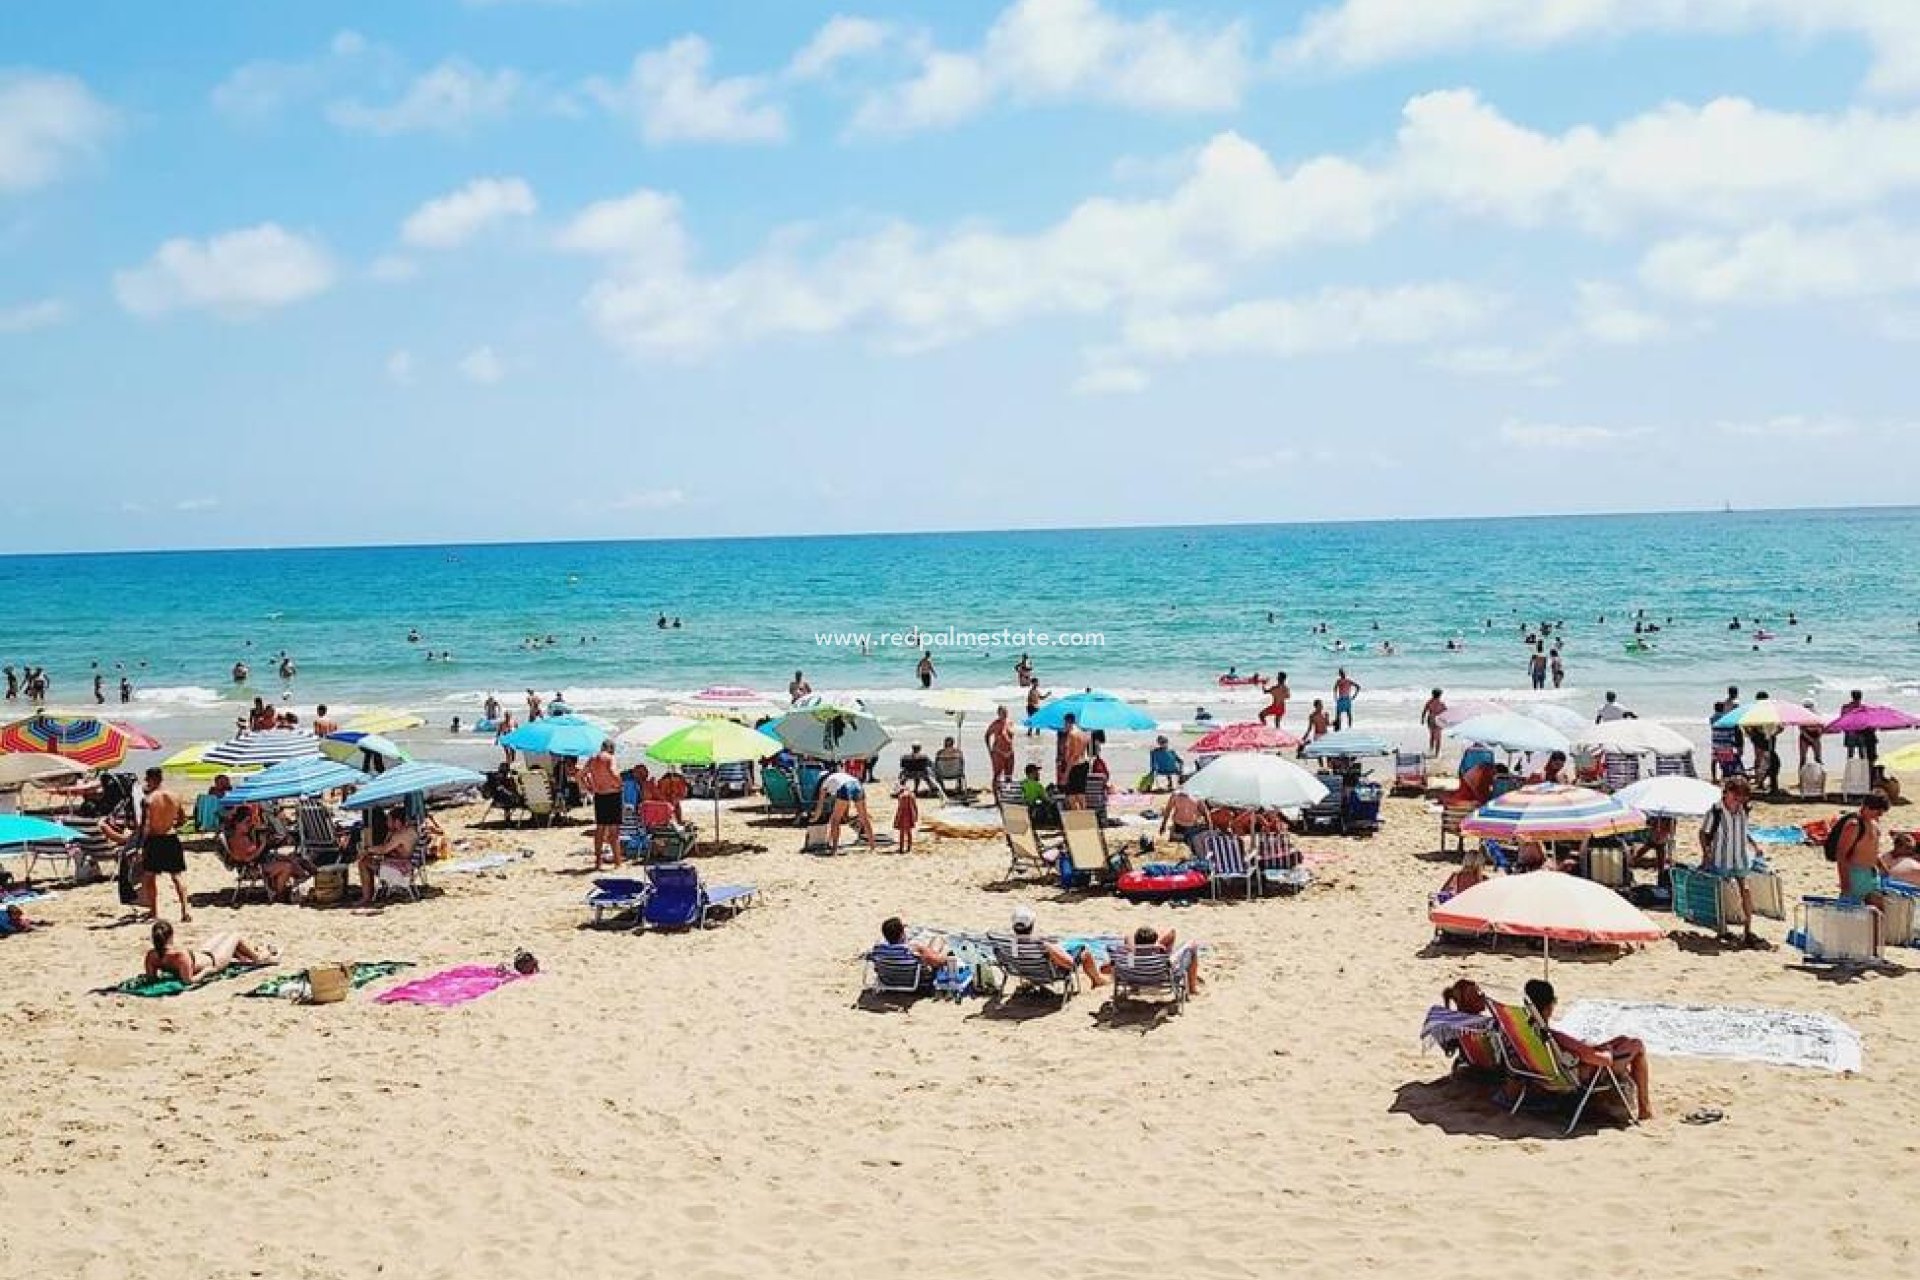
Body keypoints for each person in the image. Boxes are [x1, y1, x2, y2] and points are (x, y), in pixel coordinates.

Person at [1524, 978, 1654, 1122]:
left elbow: (1577, 1051)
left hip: (1553, 1073)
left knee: (1622, 1040)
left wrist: (1598, 1048)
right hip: (1586, 1073)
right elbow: (1603, 1060)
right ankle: (1645, 1109)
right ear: (1549, 1008)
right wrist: (1607, 1051)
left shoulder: (1527, 1033)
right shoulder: (1555, 1036)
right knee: (1637, 1045)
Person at [1699, 777, 1764, 946]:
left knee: (1746, 889)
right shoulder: (1715, 811)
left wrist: (1754, 846)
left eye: (1742, 797)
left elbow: (1743, 831)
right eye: (1736, 796)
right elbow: (1703, 833)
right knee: (1720, 894)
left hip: (1740, 857)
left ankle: (1748, 929)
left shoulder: (1744, 810)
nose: (1739, 800)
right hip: (1721, 858)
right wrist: (1706, 853)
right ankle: (1723, 929)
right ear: (1726, 793)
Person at [144, 919, 274, 984]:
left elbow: (151, 978)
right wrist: (206, 971)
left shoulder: (151, 955)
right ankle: (257, 957)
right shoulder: (180, 955)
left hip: (202, 954)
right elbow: (188, 981)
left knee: (223, 934)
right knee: (235, 936)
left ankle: (242, 954)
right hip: (214, 961)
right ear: (171, 936)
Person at [138, 767, 189, 922]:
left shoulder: (149, 799)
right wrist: (170, 824)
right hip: (171, 838)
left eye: (147, 779)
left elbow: (146, 824)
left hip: (155, 839)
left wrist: (141, 844)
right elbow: (182, 819)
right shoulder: (176, 796)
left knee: (149, 877)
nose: (146, 782)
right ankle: (185, 910)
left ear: (151, 779)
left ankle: (154, 912)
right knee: (177, 876)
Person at [1008, 905, 1103, 987]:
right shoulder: (1042, 944)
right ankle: (1098, 980)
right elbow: (1070, 964)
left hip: (1025, 972)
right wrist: (1056, 947)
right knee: (1084, 950)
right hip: (1049, 973)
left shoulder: (1007, 943)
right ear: (1032, 925)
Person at [1103, 923, 1201, 993]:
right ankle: (1193, 989)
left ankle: (1135, 989)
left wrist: (1114, 962)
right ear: (1155, 942)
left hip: (1132, 978)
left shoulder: (1130, 959)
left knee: (1129, 939)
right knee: (1192, 947)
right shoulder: (1161, 955)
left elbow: (1103, 970)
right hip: (1161, 977)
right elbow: (1173, 961)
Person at [1831, 792, 1890, 905]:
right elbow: (1841, 855)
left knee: (1877, 913)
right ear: (1867, 807)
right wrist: (1845, 884)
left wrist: (1882, 867)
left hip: (1872, 874)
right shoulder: (1854, 825)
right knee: (1855, 915)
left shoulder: (1874, 823)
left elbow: (1871, 850)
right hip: (1856, 875)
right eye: (1878, 811)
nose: (1880, 815)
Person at [355, 807, 418, 906]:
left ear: (396, 821)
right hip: (406, 866)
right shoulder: (411, 830)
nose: (386, 823)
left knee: (363, 863)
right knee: (368, 860)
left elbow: (384, 849)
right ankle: (369, 894)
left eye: (388, 820)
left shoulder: (400, 835)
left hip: (400, 871)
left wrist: (367, 849)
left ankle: (366, 897)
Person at [581, 738, 624, 870]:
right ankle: (617, 862)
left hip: (599, 795)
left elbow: (579, 775)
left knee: (600, 829)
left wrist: (588, 787)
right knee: (613, 831)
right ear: (611, 748)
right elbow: (612, 771)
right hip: (612, 793)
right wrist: (619, 783)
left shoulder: (592, 759)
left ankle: (598, 862)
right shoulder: (610, 758)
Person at [813, 767, 876, 852]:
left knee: (835, 820)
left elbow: (820, 806)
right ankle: (872, 846)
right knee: (864, 818)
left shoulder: (825, 784)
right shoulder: (839, 775)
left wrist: (814, 819)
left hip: (845, 787)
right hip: (857, 784)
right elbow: (846, 803)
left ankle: (834, 849)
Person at [875, 916, 947, 972]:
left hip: (889, 980)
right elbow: (937, 961)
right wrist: (946, 959)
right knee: (937, 941)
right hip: (913, 981)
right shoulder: (911, 950)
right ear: (901, 935)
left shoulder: (878, 950)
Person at [1059, 713, 1091, 808]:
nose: (1064, 726)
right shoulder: (1083, 733)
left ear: (1068, 722)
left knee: (1071, 793)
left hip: (1075, 765)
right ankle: (1083, 814)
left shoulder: (1073, 734)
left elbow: (1073, 755)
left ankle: (1076, 815)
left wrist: (1066, 774)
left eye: (1065, 723)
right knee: (1080, 791)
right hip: (1083, 763)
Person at [985, 707, 1015, 787]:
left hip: (1009, 751)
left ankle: (1007, 793)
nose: (1005, 714)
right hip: (998, 752)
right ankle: (996, 796)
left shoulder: (1010, 722)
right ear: (998, 714)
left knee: (1009, 775)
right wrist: (989, 749)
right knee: (997, 775)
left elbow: (1011, 737)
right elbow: (987, 735)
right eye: (1003, 712)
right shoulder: (995, 724)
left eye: (1006, 712)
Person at [891, 786, 919, 854]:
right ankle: (909, 848)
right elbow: (915, 807)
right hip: (910, 815)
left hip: (903, 815)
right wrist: (916, 816)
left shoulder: (902, 796)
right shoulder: (912, 795)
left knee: (902, 833)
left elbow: (900, 809)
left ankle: (901, 848)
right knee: (909, 832)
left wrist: (897, 818)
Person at [1420, 689, 1447, 755]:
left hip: (1430, 720)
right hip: (1438, 720)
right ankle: (1437, 754)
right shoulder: (1441, 703)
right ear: (1440, 695)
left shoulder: (1429, 702)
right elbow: (1446, 712)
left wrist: (1422, 719)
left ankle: (1431, 750)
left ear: (1432, 694)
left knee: (1432, 736)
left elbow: (1424, 711)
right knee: (1438, 738)